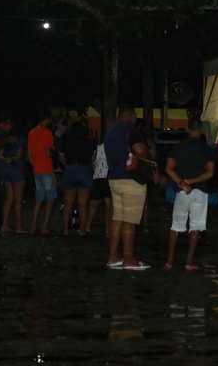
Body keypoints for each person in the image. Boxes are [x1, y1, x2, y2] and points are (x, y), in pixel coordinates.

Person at [105, 104, 158, 270]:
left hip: (114, 179)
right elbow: (140, 150)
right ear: (132, 117)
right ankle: (128, 258)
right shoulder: (131, 131)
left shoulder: (110, 133)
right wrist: (149, 159)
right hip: (131, 180)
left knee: (117, 218)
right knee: (130, 220)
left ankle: (113, 256)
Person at [164, 118, 216, 271]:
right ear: (201, 130)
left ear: (187, 129)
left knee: (175, 226)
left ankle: (169, 261)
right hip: (200, 191)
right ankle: (188, 262)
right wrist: (191, 181)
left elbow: (168, 168)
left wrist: (182, 182)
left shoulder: (179, 147)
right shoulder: (205, 149)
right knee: (195, 227)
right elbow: (210, 173)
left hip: (182, 191)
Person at [58, 121, 97, 236]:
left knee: (68, 203)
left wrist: (68, 166)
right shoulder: (92, 143)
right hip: (85, 170)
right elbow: (93, 159)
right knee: (83, 204)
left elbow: (61, 158)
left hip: (70, 170)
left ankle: (65, 230)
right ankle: (82, 230)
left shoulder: (66, 142)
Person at [28, 108, 57, 235]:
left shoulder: (32, 132)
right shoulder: (48, 133)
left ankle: (33, 226)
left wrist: (34, 165)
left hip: (36, 169)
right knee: (50, 199)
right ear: (48, 119)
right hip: (46, 168)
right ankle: (45, 226)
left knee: (39, 198)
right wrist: (53, 151)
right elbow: (47, 153)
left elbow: (29, 153)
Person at [0, 118, 28, 233]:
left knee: (8, 199)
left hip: (6, 170)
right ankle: (19, 227)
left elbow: (0, 154)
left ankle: (4, 225)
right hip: (17, 169)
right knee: (18, 201)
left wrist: (6, 159)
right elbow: (20, 155)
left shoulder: (8, 138)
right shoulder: (22, 138)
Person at [0, 114, 16, 231]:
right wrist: (7, 140)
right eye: (7, 123)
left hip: (5, 171)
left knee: (5, 197)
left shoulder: (9, 134)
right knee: (3, 197)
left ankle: (0, 223)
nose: (10, 125)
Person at [86, 141, 112, 237]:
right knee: (109, 206)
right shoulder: (115, 146)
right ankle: (108, 229)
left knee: (93, 204)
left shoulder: (98, 148)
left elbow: (92, 161)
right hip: (109, 177)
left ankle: (87, 227)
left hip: (98, 177)